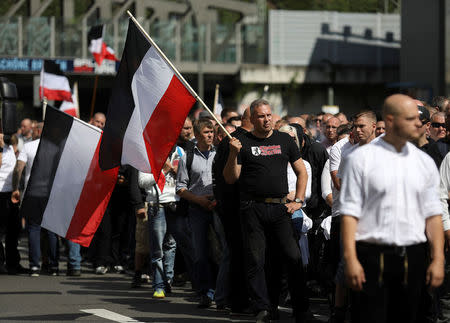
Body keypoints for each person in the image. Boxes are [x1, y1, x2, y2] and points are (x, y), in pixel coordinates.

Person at [340, 94, 445, 323]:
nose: (419, 123)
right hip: (371, 256)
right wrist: (351, 259)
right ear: (389, 120)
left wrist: (437, 259)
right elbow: (350, 214)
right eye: (410, 119)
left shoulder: (424, 162)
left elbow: (433, 215)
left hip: (413, 256)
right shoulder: (361, 159)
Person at [224, 99, 311, 323]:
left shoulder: (284, 140)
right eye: (261, 116)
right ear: (252, 119)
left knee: (293, 257)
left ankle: (302, 310)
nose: (267, 120)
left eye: (269, 115)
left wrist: (299, 200)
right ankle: (263, 308)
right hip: (252, 208)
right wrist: (233, 154)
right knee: (256, 260)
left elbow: (302, 172)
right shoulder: (241, 142)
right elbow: (230, 178)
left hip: (280, 208)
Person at [176, 118, 218, 308]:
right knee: (200, 253)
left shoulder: (219, 154)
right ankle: (205, 292)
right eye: (206, 132)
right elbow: (181, 188)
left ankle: (221, 291)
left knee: (221, 252)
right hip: (197, 209)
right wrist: (199, 200)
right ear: (198, 135)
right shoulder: (188, 157)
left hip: (218, 207)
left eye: (212, 132)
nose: (210, 136)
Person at [12, 122, 60, 276]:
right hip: (51, 193)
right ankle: (53, 265)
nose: (32, 132)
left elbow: (19, 168)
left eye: (34, 130)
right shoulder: (56, 148)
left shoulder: (28, 146)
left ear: (39, 131)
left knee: (34, 228)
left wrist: (15, 188)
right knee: (51, 230)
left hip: (32, 193)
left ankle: (34, 265)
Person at [0, 133, 23, 275]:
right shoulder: (2, 151)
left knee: (14, 230)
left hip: (11, 193)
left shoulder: (9, 148)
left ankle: (13, 262)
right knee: (1, 230)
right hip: (0, 193)